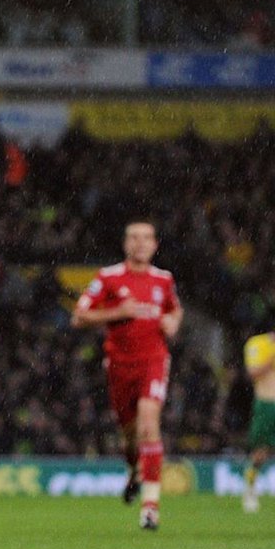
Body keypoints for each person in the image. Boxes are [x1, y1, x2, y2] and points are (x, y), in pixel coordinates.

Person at [71, 220, 182, 531]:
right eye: (134, 237)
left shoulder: (163, 280)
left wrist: (173, 322)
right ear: (125, 244)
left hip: (154, 360)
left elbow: (175, 310)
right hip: (120, 366)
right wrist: (118, 313)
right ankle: (134, 469)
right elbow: (79, 316)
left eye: (147, 238)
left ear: (155, 245)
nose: (140, 243)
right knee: (131, 438)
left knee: (150, 424)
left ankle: (150, 509)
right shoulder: (107, 278)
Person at [241, 328, 275, 512]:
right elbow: (253, 373)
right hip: (267, 404)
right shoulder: (259, 344)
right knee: (261, 452)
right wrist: (271, 357)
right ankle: (250, 489)